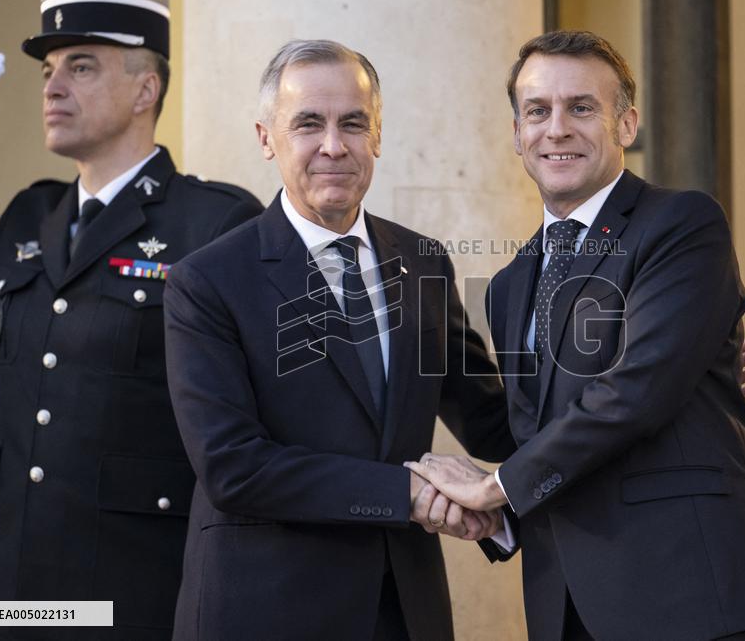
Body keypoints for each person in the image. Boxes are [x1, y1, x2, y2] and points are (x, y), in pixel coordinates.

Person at [407, 30, 745, 640]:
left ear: (626, 124)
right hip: (569, 612)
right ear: (517, 133)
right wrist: (503, 517)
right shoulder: (510, 284)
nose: (557, 128)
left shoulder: (681, 223)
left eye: (582, 108)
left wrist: (497, 486)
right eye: (537, 111)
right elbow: (537, 436)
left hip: (698, 599)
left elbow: (636, 391)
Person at [163, 39, 515, 641]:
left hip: (403, 611)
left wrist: (644, 373)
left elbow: (495, 421)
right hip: (263, 611)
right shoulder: (208, 279)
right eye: (308, 124)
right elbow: (232, 466)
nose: (333, 146)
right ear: (266, 137)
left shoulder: (423, 263)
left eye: (353, 123)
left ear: (376, 136)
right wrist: (404, 492)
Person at [0, 0, 262, 639]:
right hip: (3, 598)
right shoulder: (27, 218)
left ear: (145, 89)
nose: (52, 86)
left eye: (81, 66)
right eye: (49, 69)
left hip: (132, 601)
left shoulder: (212, 223)